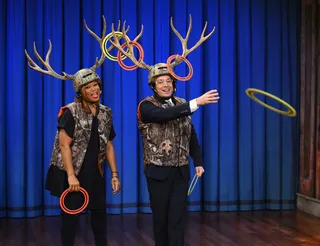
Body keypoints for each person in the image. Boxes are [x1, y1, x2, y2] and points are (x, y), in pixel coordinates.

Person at [25, 16, 120, 246]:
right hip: (74, 173)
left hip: (96, 174)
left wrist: (114, 174)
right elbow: (64, 145)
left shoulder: (106, 112)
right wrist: (70, 176)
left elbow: (108, 144)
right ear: (80, 90)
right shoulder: (70, 111)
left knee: (99, 220)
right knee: (70, 221)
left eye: (96, 85)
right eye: (88, 87)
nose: (94, 89)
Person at [137, 64, 219, 246]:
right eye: (160, 82)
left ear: (174, 84)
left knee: (177, 219)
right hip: (158, 172)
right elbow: (165, 114)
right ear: (153, 86)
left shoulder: (182, 103)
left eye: (168, 81)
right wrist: (196, 102)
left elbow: (190, 135)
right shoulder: (146, 106)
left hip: (181, 172)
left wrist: (198, 161)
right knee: (161, 220)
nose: (165, 85)